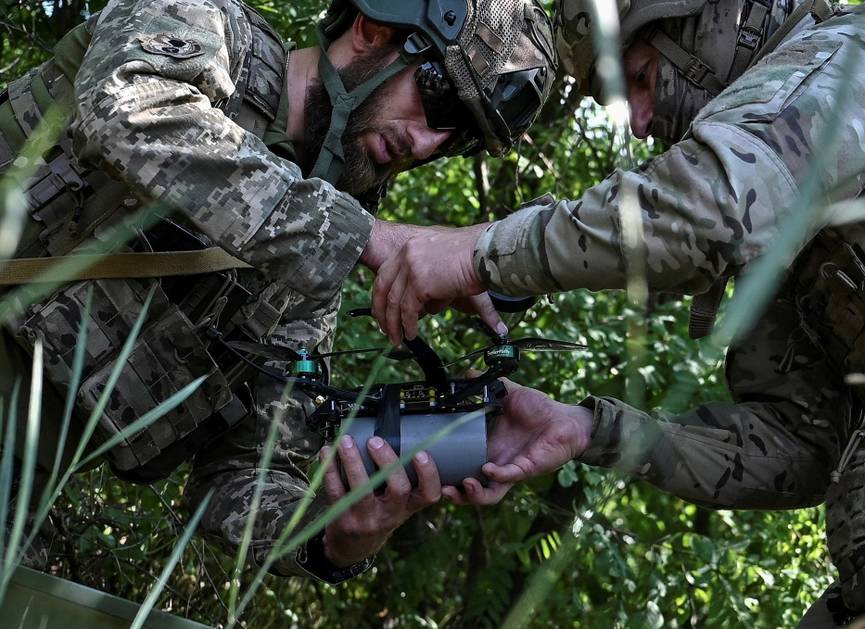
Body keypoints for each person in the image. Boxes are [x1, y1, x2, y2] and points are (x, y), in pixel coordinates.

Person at [368, 0, 865, 623]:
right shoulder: (781, 226)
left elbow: (710, 209)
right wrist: (593, 429)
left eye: (641, 78)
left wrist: (481, 251)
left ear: (712, 27)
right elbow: (802, 448)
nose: (640, 124)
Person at [0, 0, 556, 582]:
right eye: (440, 98)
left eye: (456, 139)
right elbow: (124, 108)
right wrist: (365, 238)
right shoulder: (205, 24)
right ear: (373, 29)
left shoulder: (318, 262)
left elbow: (241, 475)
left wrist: (337, 531)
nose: (426, 144)